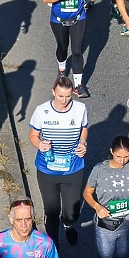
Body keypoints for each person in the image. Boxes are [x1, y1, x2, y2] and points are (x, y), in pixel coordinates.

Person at [28, 76, 88, 248]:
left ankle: (68, 224)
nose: (64, 100)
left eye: (68, 96)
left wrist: (83, 143)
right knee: (52, 210)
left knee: (72, 212)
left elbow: (84, 129)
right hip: (47, 170)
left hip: (73, 169)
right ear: (53, 91)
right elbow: (33, 135)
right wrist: (39, 144)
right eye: (60, 96)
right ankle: (53, 242)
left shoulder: (80, 109)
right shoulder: (42, 111)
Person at [42, 0, 91, 96]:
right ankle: (62, 70)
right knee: (62, 48)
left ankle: (78, 85)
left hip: (78, 17)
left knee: (77, 51)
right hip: (58, 20)